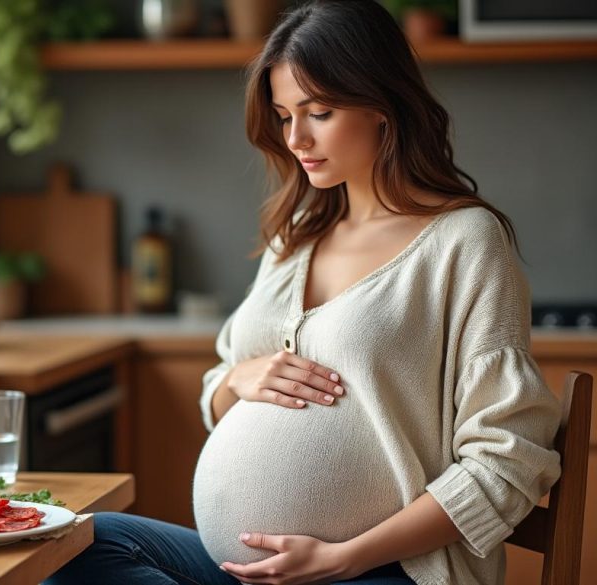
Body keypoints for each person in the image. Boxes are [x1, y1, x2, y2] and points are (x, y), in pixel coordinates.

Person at [44, 1, 563, 584]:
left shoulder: (463, 243)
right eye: (285, 115)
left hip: (382, 571)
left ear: (383, 105)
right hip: (247, 569)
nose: (296, 138)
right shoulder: (296, 236)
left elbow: (506, 459)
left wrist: (345, 556)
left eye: (319, 112)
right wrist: (237, 381)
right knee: (85, 542)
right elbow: (222, 385)